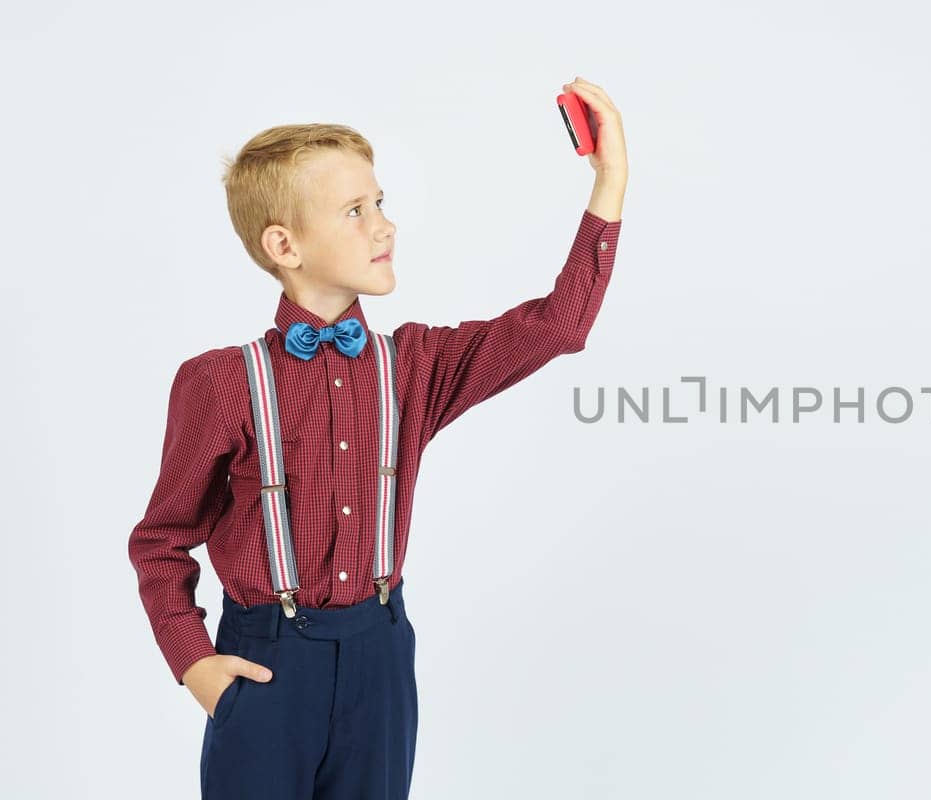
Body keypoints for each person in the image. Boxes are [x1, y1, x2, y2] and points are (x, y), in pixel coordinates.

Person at [126, 76, 628, 798]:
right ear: (284, 244)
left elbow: (560, 326)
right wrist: (193, 660)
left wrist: (610, 181)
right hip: (266, 663)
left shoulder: (415, 367)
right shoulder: (221, 382)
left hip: (380, 657)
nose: (384, 226)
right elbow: (162, 538)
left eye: (381, 204)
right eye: (355, 212)